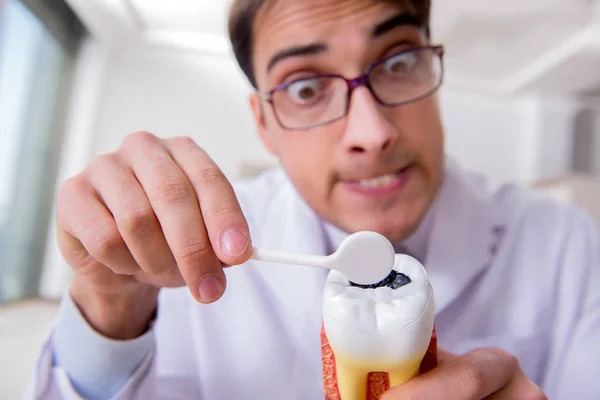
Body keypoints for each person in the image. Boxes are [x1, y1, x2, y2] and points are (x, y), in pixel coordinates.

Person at [29, 0, 599, 399]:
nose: (371, 133)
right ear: (264, 124)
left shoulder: (570, 246)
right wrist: (110, 313)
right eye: (306, 88)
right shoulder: (182, 251)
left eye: (399, 63)